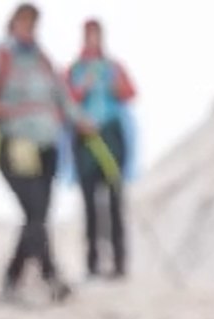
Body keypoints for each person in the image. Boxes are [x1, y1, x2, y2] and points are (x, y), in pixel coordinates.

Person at [0, 3, 94, 303]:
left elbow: (62, 98)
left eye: (33, 23)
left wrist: (80, 120)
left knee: (36, 215)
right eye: (24, 22)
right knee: (35, 212)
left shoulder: (43, 61)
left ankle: (14, 280)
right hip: (16, 143)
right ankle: (49, 277)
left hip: (48, 144)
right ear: (13, 24)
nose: (29, 28)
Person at [68, 18, 137, 279]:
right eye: (88, 34)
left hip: (111, 136)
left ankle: (119, 263)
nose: (92, 39)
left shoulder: (113, 68)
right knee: (89, 203)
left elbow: (130, 93)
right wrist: (81, 89)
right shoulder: (75, 70)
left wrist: (115, 86)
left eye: (96, 34)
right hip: (85, 140)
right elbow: (66, 101)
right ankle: (92, 263)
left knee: (115, 200)